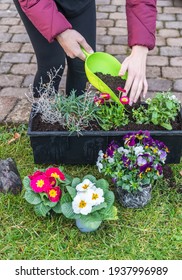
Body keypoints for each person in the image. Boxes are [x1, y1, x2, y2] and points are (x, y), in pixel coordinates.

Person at [13, 0, 157, 105]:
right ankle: (43, 119)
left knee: (82, 65)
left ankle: (75, 120)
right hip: (37, 3)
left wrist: (140, 49)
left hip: (79, 3)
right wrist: (60, 31)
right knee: (52, 66)